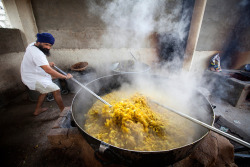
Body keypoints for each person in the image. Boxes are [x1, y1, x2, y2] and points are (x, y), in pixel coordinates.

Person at [20, 33, 73, 116]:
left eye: (50, 45)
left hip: (34, 72)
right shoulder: (38, 54)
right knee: (56, 89)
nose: (48, 47)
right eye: (46, 44)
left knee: (44, 90)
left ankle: (37, 110)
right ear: (39, 42)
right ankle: (64, 111)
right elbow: (48, 70)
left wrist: (46, 63)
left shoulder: (32, 45)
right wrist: (65, 76)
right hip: (32, 77)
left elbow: (35, 61)